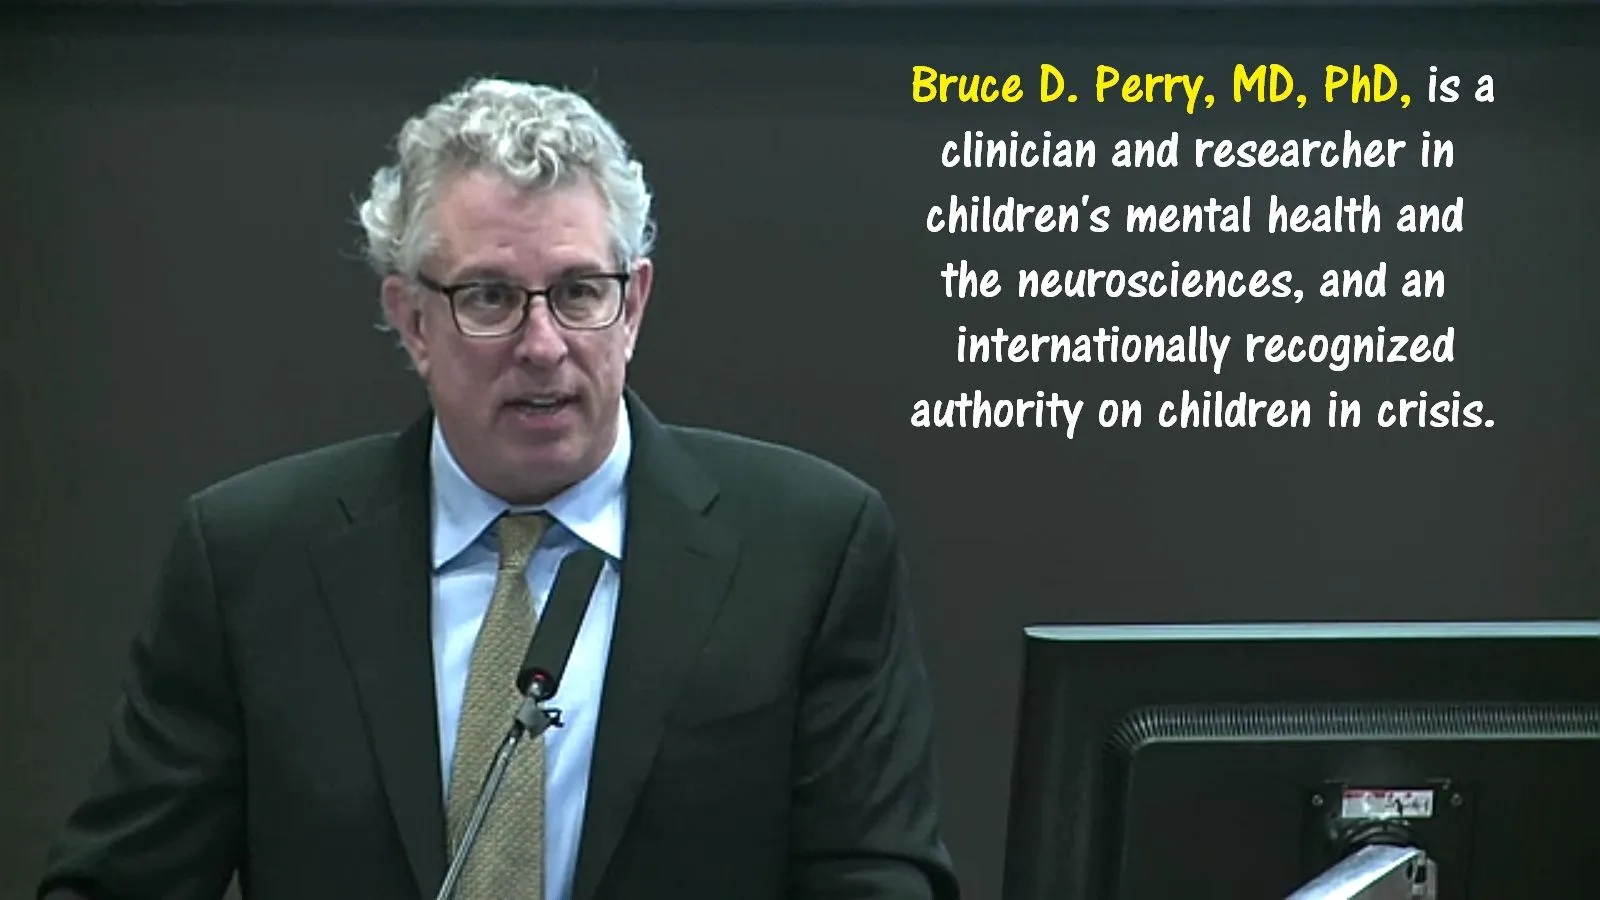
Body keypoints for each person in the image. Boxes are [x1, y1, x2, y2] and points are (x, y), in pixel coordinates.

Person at [35, 77, 960, 900]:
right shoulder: (252, 561)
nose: (543, 345)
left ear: (633, 306)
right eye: (489, 298)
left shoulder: (807, 549)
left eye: (579, 292)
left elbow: (876, 875)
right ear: (412, 319)